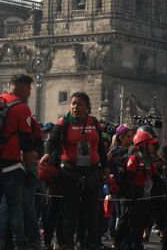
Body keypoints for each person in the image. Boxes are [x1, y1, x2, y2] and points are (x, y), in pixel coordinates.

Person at [42, 92, 108, 250]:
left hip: (92, 173)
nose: (75, 107)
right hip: (69, 173)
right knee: (69, 211)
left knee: (92, 212)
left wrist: (105, 167)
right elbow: (52, 142)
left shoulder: (94, 122)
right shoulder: (63, 122)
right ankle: (68, 244)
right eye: (73, 104)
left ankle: (92, 244)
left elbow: (100, 147)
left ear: (87, 107)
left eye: (79, 104)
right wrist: (47, 153)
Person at [0, 74, 36, 250]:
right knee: (15, 207)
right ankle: (19, 244)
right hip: (10, 165)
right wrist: (30, 168)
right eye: (29, 89)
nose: (30, 92)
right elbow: (26, 143)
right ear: (24, 88)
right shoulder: (22, 109)